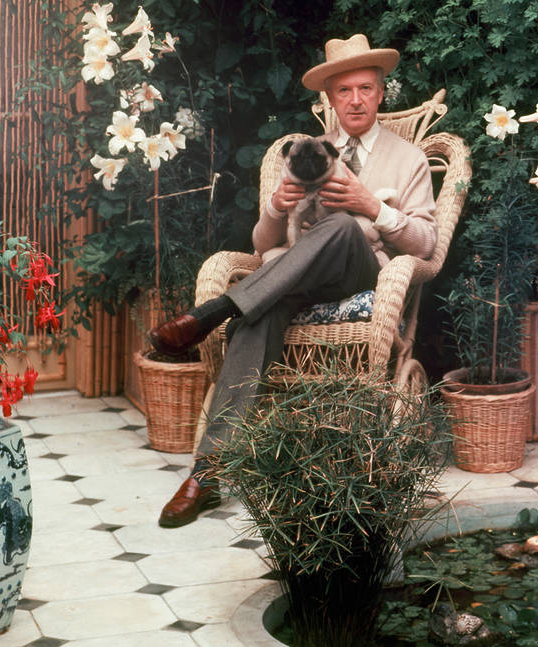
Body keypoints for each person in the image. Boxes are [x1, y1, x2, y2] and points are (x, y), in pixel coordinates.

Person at [150, 34, 437, 528]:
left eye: (365, 88)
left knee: (344, 225)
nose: (355, 100)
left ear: (381, 93)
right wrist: (275, 207)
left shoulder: (407, 158)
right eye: (344, 91)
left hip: (363, 272)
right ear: (329, 99)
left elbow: (427, 243)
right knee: (259, 317)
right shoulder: (306, 152)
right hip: (298, 275)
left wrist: (372, 206)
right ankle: (208, 473)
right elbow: (263, 246)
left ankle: (213, 312)